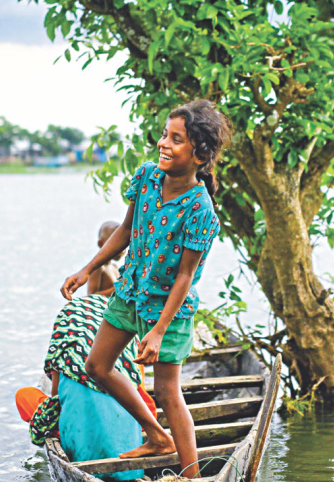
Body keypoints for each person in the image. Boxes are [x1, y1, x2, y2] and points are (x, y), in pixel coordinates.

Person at [61, 99, 231, 479]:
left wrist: (158, 331)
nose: (163, 144)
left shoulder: (200, 210)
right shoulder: (147, 177)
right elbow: (125, 230)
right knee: (97, 366)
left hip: (169, 308)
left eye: (176, 139)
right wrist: (87, 269)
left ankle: (191, 476)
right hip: (130, 293)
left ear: (199, 154)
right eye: (164, 135)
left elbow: (185, 276)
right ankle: (156, 436)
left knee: (168, 392)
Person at [16, 294, 157, 481]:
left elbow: (57, 399)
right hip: (131, 467)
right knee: (141, 399)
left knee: (24, 395)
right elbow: (145, 403)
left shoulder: (67, 345)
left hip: (81, 447)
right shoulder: (123, 347)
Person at [87, 221, 123, 297]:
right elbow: (90, 296)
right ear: (101, 244)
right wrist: (118, 288)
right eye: (116, 243)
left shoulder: (115, 268)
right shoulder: (98, 267)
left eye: (124, 244)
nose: (122, 249)